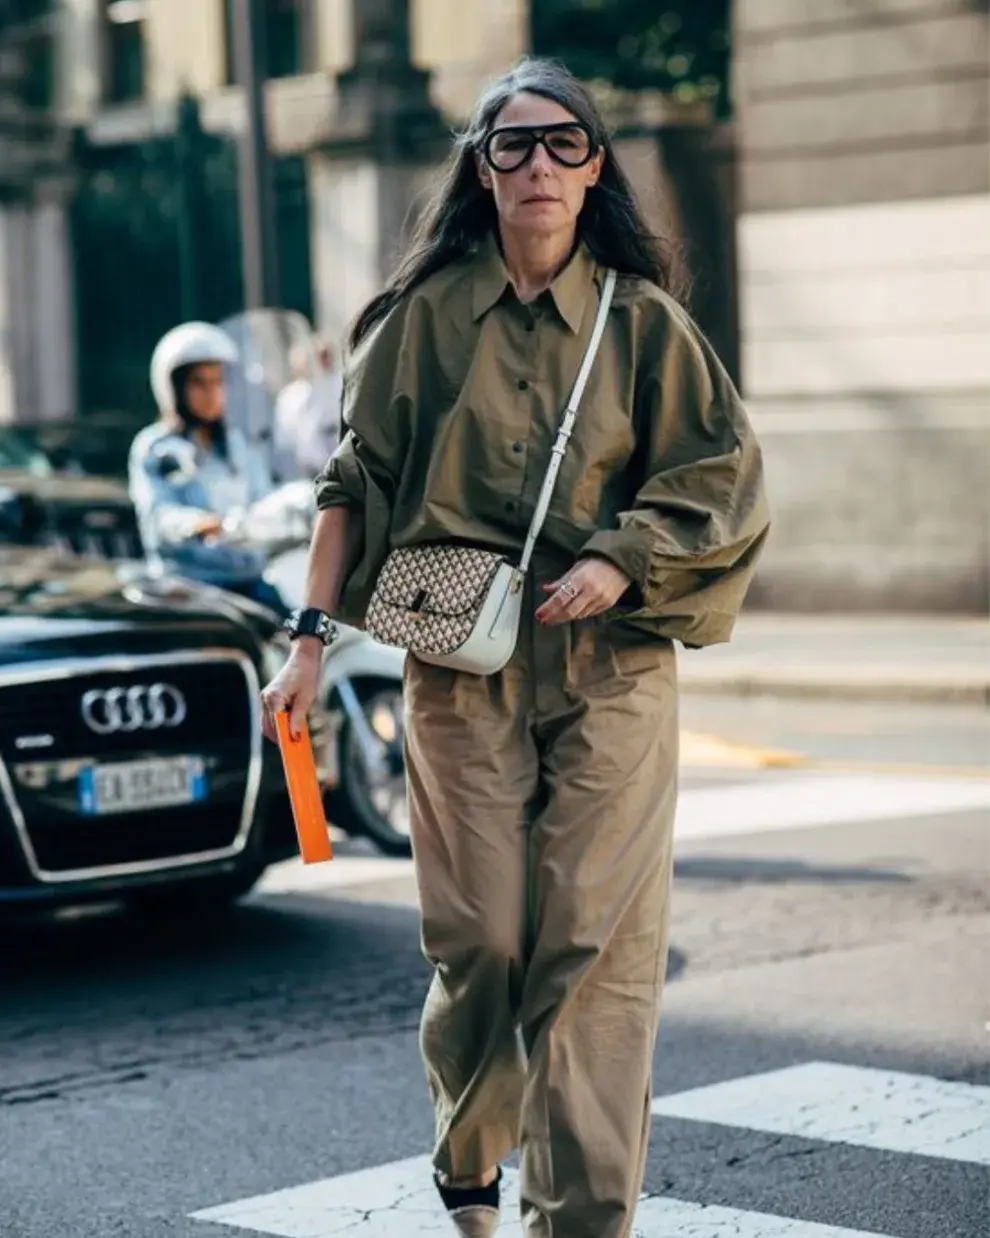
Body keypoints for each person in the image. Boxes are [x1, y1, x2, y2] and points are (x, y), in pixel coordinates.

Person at [261, 57, 770, 1238]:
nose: (538, 165)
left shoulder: (645, 325)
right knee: (486, 936)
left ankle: (581, 1218)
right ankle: (471, 1141)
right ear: (479, 170)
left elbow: (723, 478)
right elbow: (355, 483)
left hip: (614, 666)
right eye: (512, 146)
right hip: (461, 668)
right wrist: (308, 644)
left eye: (562, 145)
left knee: (592, 950)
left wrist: (624, 554)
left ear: (596, 170)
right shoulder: (421, 319)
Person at [128, 321, 282, 609]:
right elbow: (158, 516)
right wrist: (197, 523)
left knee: (306, 634)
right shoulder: (155, 447)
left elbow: (264, 500)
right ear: (174, 387)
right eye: (199, 383)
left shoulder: (238, 444)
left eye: (218, 381)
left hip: (249, 576)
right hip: (191, 585)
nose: (211, 392)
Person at [272, 335, 344, 481]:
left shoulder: (342, 383)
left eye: (326, 355)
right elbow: (286, 440)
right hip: (308, 470)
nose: (323, 360)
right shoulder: (291, 395)